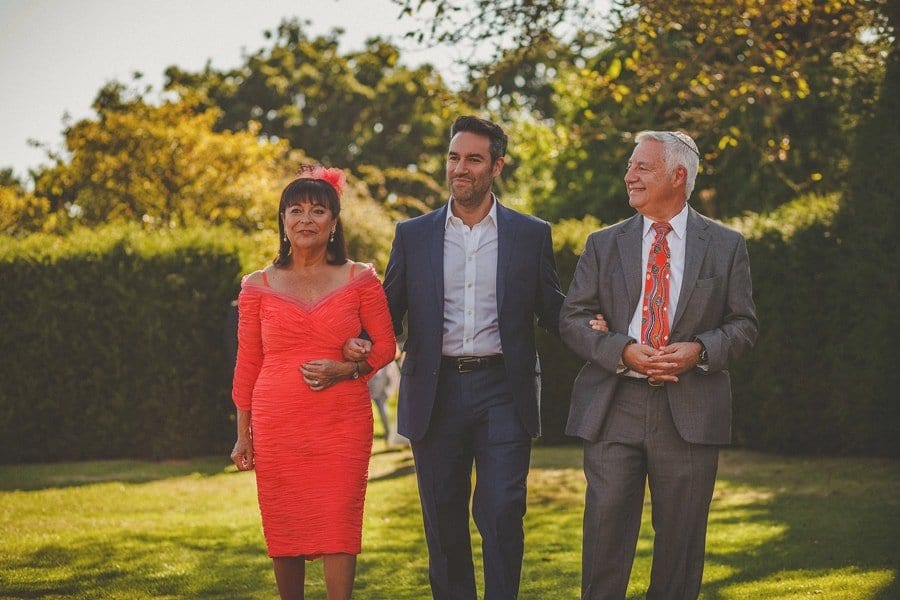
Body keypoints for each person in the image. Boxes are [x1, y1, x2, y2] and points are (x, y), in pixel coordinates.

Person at [346, 115, 565, 600]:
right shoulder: (414, 235)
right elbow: (388, 308)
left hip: (504, 390)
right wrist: (360, 340)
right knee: (443, 517)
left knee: (503, 508)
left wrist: (603, 332)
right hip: (435, 389)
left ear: (497, 166)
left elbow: (553, 309)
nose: (459, 168)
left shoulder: (530, 234)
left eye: (472, 159)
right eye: (453, 157)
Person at [560, 130, 759, 599]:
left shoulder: (726, 246)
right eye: (630, 166)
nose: (629, 176)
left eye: (641, 167)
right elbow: (571, 318)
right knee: (604, 543)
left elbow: (744, 326)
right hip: (613, 408)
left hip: (690, 411)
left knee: (680, 553)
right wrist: (621, 350)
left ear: (678, 175)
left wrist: (700, 351)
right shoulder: (602, 244)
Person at [230, 166, 397, 600]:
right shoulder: (256, 286)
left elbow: (384, 348)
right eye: (296, 210)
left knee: (340, 522)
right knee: (285, 526)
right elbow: (247, 364)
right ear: (283, 220)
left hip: (341, 424)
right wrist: (242, 433)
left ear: (334, 222)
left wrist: (347, 368)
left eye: (318, 210)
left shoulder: (360, 279)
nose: (306, 218)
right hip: (278, 426)